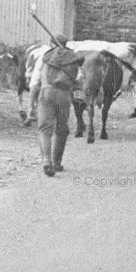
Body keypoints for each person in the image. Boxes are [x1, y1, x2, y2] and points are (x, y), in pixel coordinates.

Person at [35, 34, 84, 177]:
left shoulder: (45, 56)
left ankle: (46, 161)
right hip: (64, 95)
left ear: (52, 44)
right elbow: (78, 81)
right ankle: (57, 162)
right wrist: (79, 101)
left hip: (46, 92)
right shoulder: (73, 58)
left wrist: (33, 100)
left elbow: (35, 79)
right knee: (62, 128)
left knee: (44, 129)